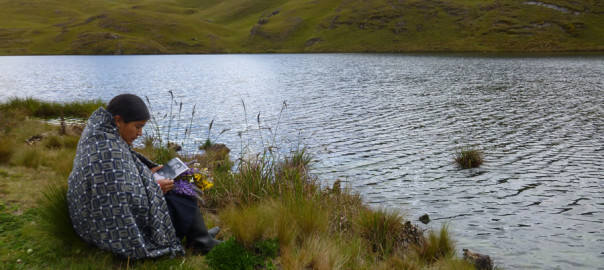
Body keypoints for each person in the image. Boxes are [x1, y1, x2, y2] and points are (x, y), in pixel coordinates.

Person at [67, 94, 221, 259]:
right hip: (107, 227)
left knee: (178, 182)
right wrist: (156, 187)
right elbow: (118, 198)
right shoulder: (107, 149)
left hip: (92, 219)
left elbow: (121, 180)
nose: (140, 133)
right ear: (118, 120)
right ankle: (202, 242)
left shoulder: (100, 134)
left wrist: (148, 174)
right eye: (137, 126)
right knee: (180, 191)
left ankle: (198, 234)